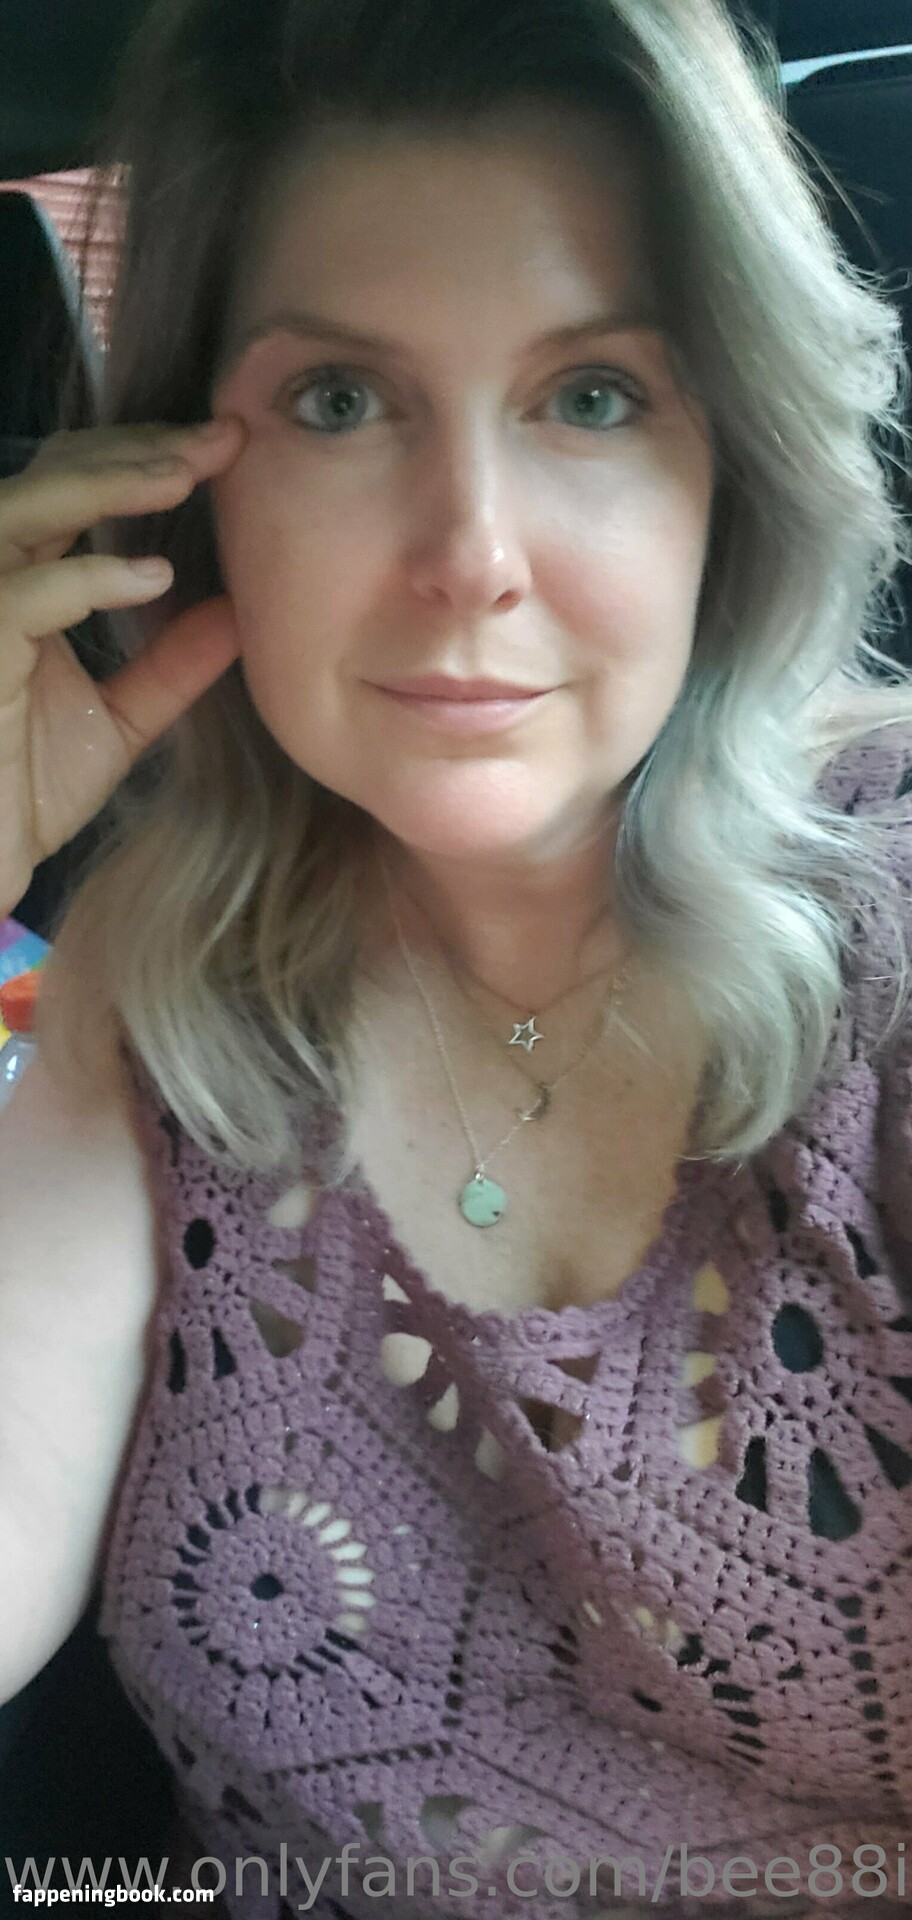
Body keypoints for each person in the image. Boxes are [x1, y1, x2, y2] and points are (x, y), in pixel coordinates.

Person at [2, 0, 912, 1915]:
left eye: (595, 397)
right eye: (342, 400)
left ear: (731, 463)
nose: (470, 553)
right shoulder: (152, 993)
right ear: (192, 481)